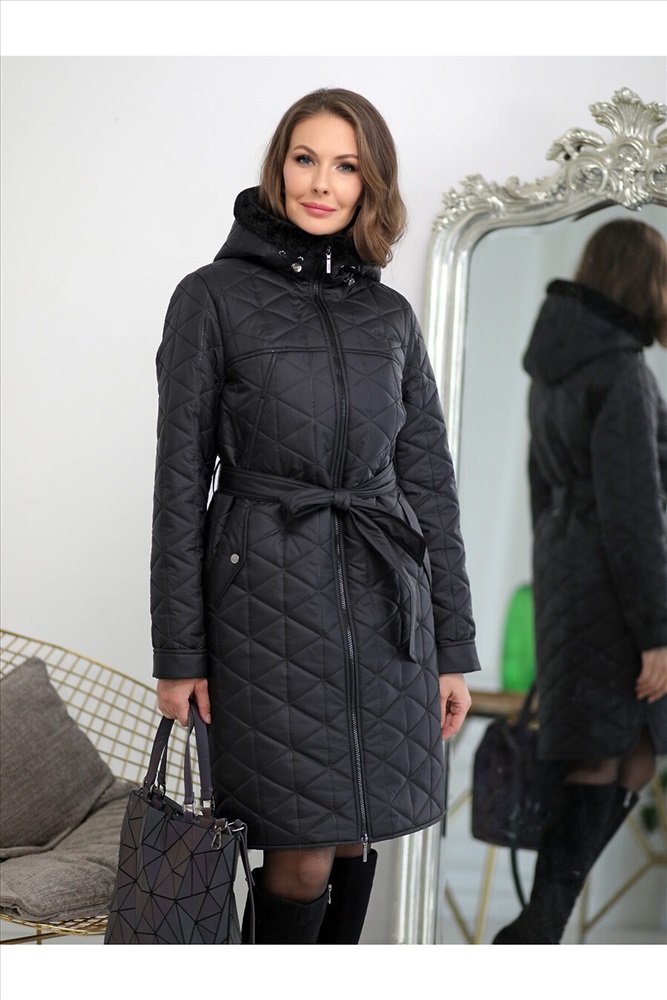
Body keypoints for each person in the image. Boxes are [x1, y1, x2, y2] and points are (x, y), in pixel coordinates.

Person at [150, 88, 480, 945]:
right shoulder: (210, 298)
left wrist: (451, 647)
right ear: (278, 167)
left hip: (384, 606)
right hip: (264, 606)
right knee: (299, 853)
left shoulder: (389, 316)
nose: (321, 183)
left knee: (359, 834)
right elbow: (179, 483)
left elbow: (428, 486)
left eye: (345, 165)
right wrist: (179, 655)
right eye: (305, 159)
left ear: (372, 183)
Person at [494, 217, 667, 944]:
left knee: (618, 751)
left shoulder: (554, 367)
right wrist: (656, 634)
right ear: (644, 282)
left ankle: (537, 928)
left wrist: (560, 586)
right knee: (610, 752)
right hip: (616, 591)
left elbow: (541, 494)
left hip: (569, 581)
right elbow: (634, 514)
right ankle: (535, 931)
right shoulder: (621, 371)